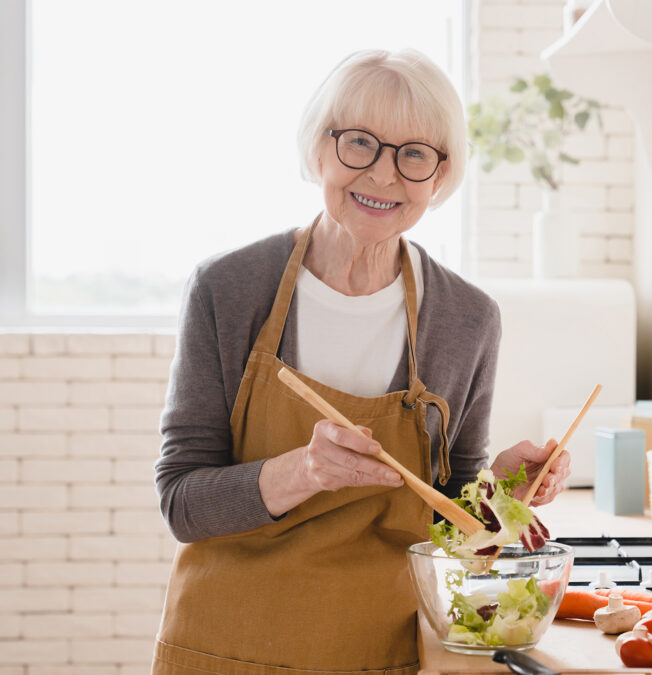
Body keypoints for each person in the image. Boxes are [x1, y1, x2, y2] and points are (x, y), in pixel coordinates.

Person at [152, 49, 571, 675]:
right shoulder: (229, 288)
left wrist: (501, 491)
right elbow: (182, 503)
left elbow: (447, 515)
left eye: (414, 153)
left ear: (440, 173)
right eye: (359, 143)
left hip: (383, 649)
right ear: (318, 149)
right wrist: (305, 471)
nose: (383, 176)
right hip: (228, 641)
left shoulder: (467, 317)